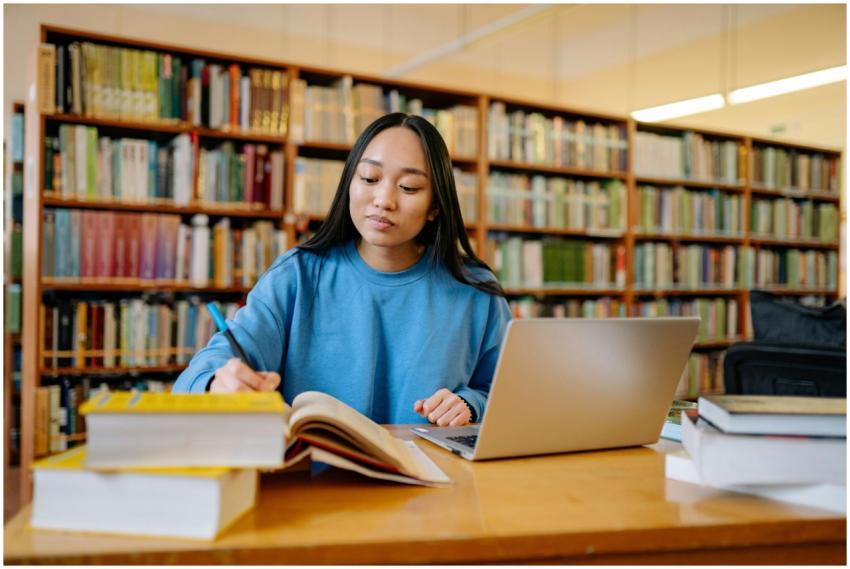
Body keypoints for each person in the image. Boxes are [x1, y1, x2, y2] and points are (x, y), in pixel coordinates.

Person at [173, 112, 512, 427]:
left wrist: (470, 405)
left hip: (436, 485)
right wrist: (217, 382)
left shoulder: (475, 290)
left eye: (408, 187)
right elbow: (203, 371)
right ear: (350, 182)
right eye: (369, 178)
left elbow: (510, 395)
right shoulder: (298, 275)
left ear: (436, 206)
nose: (383, 199)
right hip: (313, 484)